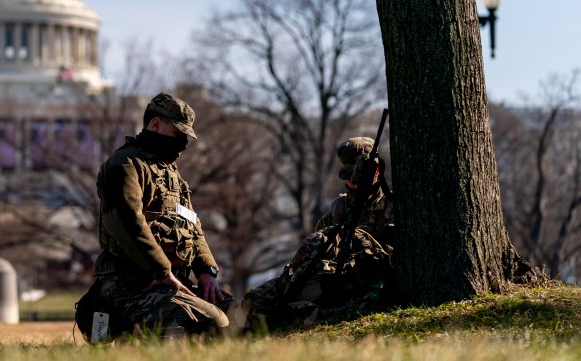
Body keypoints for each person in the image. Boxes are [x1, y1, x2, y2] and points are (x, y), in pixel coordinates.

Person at [85, 92, 231, 339]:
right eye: (179, 134)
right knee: (215, 322)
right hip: (132, 287)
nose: (183, 143)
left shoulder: (170, 174)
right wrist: (162, 272)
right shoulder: (125, 165)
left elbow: (192, 226)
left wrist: (207, 271)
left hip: (170, 282)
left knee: (237, 315)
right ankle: (126, 334)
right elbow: (128, 224)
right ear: (155, 124)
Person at [242, 136, 394, 328]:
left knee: (297, 308)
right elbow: (315, 249)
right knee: (252, 300)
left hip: (358, 283)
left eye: (355, 177)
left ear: (375, 172)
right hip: (327, 275)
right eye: (346, 177)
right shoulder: (339, 207)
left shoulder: (391, 208)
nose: (350, 183)